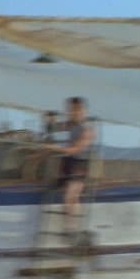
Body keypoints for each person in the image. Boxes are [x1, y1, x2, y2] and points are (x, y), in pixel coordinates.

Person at [43, 97, 95, 232]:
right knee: (61, 191)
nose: (74, 113)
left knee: (71, 196)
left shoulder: (88, 130)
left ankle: (72, 228)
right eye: (71, 110)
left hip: (80, 165)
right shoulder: (70, 124)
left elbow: (76, 150)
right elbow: (54, 129)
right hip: (67, 163)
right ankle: (70, 225)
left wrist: (55, 148)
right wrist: (49, 121)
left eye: (77, 110)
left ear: (84, 111)